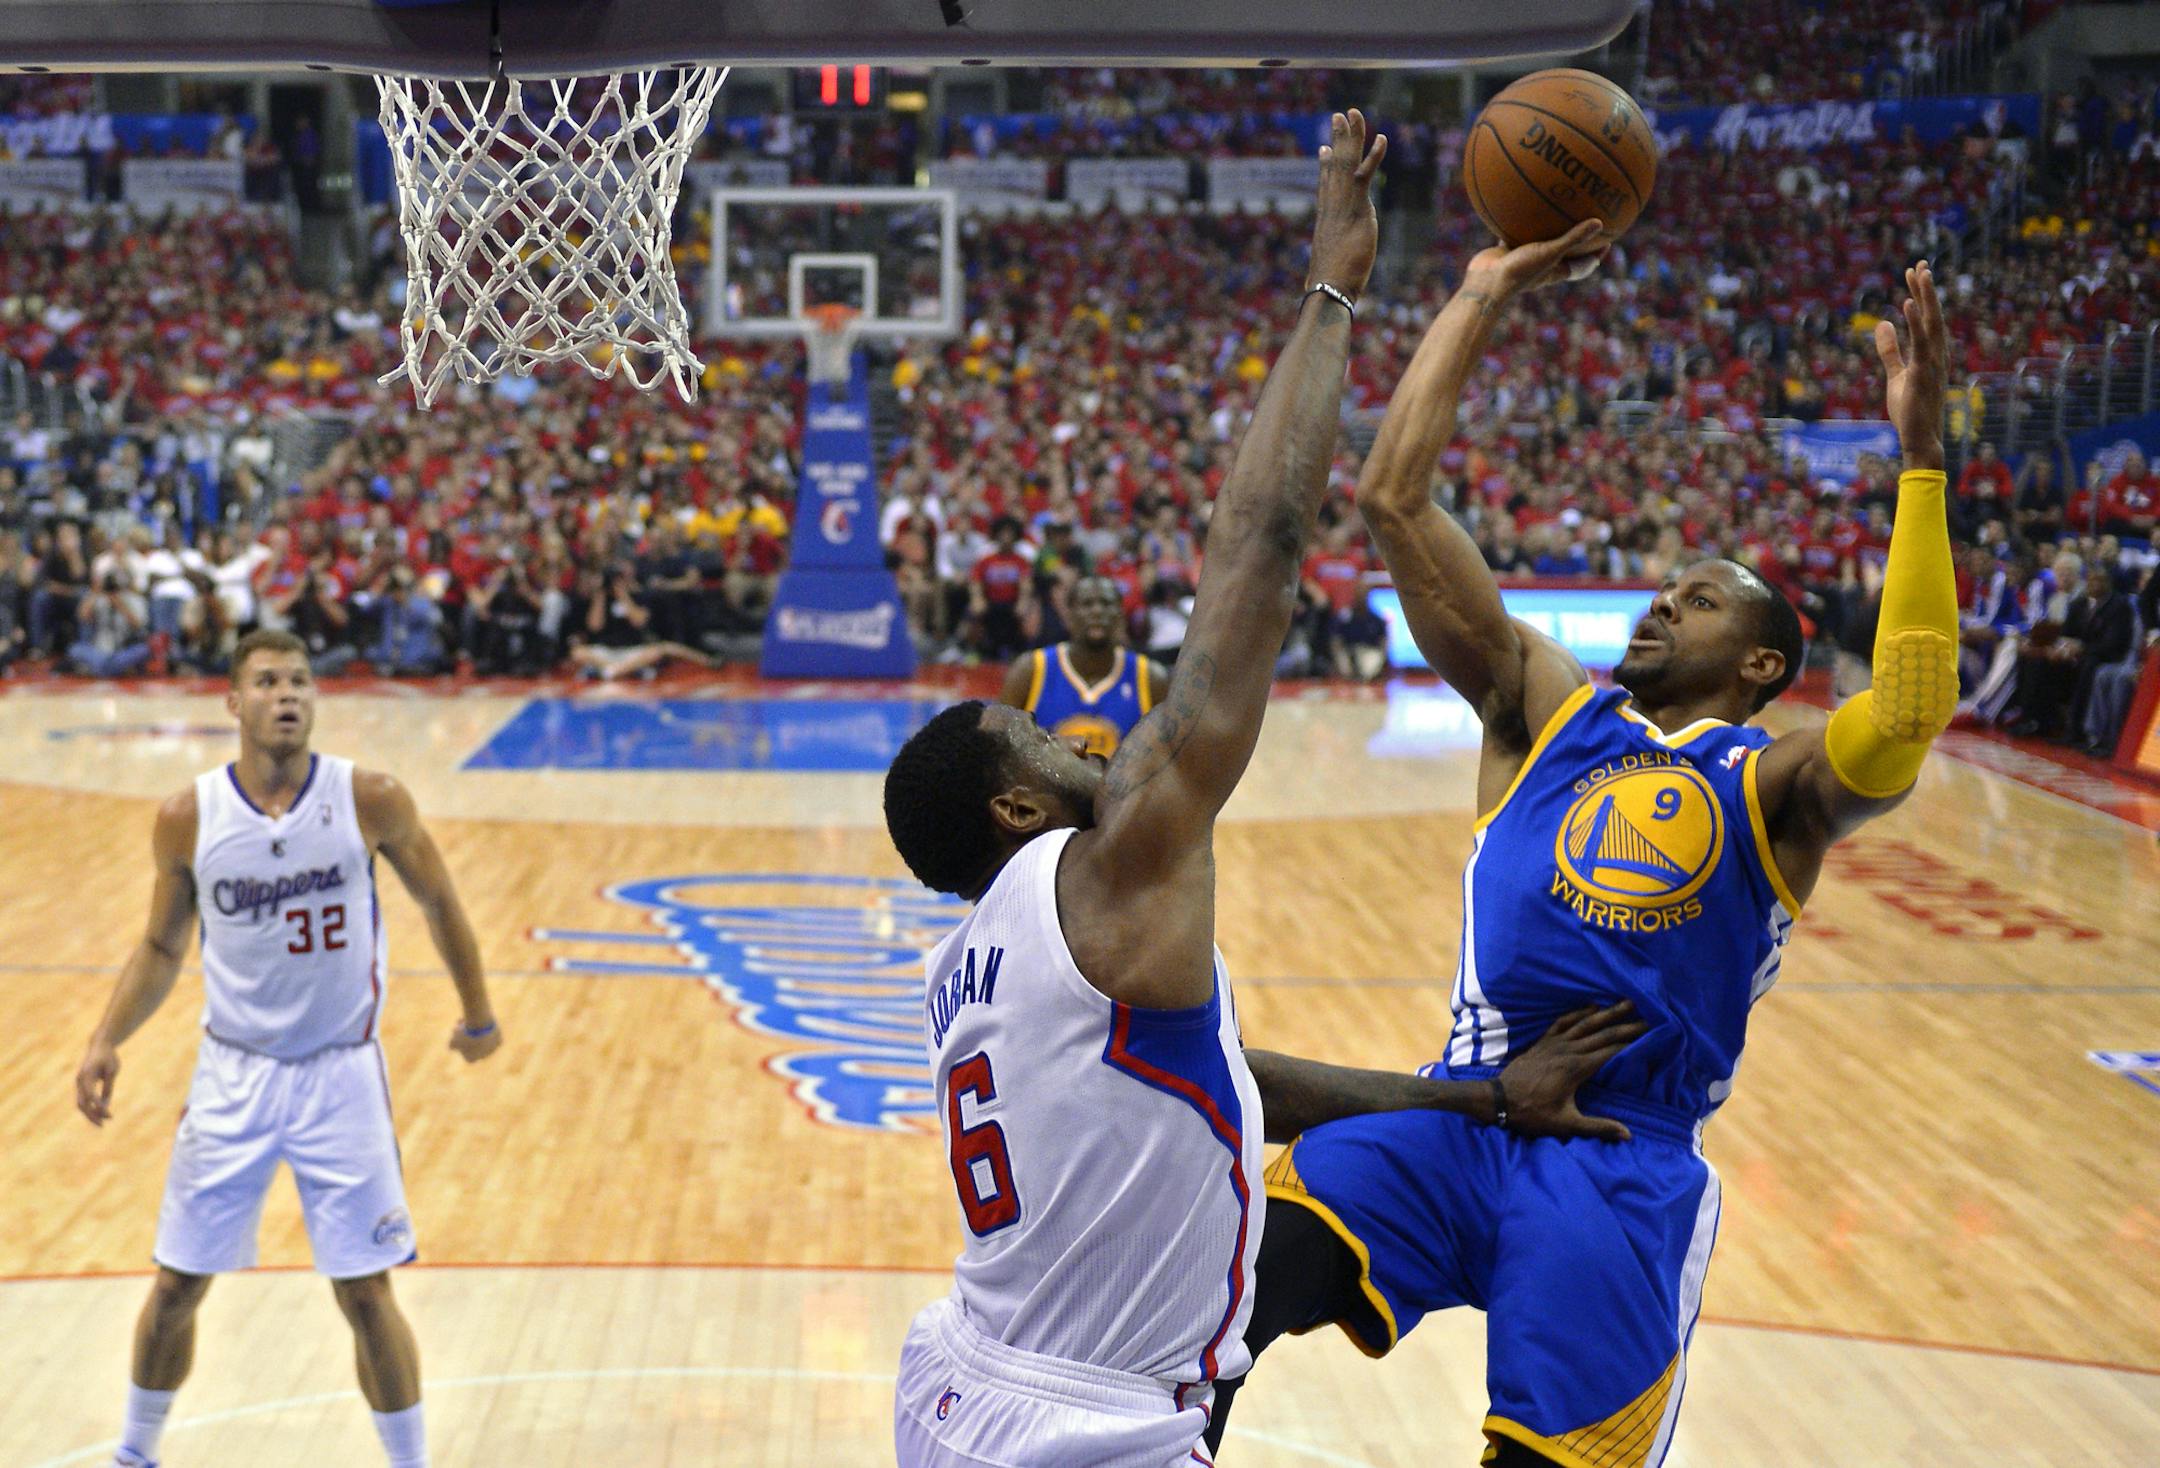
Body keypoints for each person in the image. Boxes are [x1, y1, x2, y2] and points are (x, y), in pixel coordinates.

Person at [882, 114, 1641, 1468]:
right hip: (1086, 1425)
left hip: (964, 1386)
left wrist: (1476, 1100)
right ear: (1011, 806)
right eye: (1037, 741)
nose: (1078, 743)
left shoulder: (977, 967)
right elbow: (1257, 548)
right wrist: (1333, 285)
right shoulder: (1106, 874)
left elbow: (1233, 1083)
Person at [1205, 249, 1961, 1468]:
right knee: (1210, 1297)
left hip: (1617, 1159)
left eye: (1701, 600)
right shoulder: (1544, 713)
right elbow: (1396, 500)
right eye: (1663, 590)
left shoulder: (1776, 786)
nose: (1661, 604)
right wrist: (1481, 293)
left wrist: (1919, 463)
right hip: (1456, 1107)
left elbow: (1915, 701)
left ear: (1764, 665)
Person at [74, 628, 502, 1468]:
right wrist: (104, 1038)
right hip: (233, 1073)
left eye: (301, 681)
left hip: (341, 1076)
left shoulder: (369, 797)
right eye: (268, 682)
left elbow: (440, 902)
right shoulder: (189, 817)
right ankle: (135, 1452)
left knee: (366, 1290)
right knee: (175, 1285)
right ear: (233, 703)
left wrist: (479, 1013)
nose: (288, 696)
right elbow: (162, 949)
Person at [997, 574, 1169, 758]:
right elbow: (999, 750)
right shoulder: (1030, 670)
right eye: (1087, 604)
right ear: (1068, 614)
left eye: (1106, 604)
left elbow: (1167, 760)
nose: (1097, 611)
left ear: (1120, 614)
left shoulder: (1151, 678)